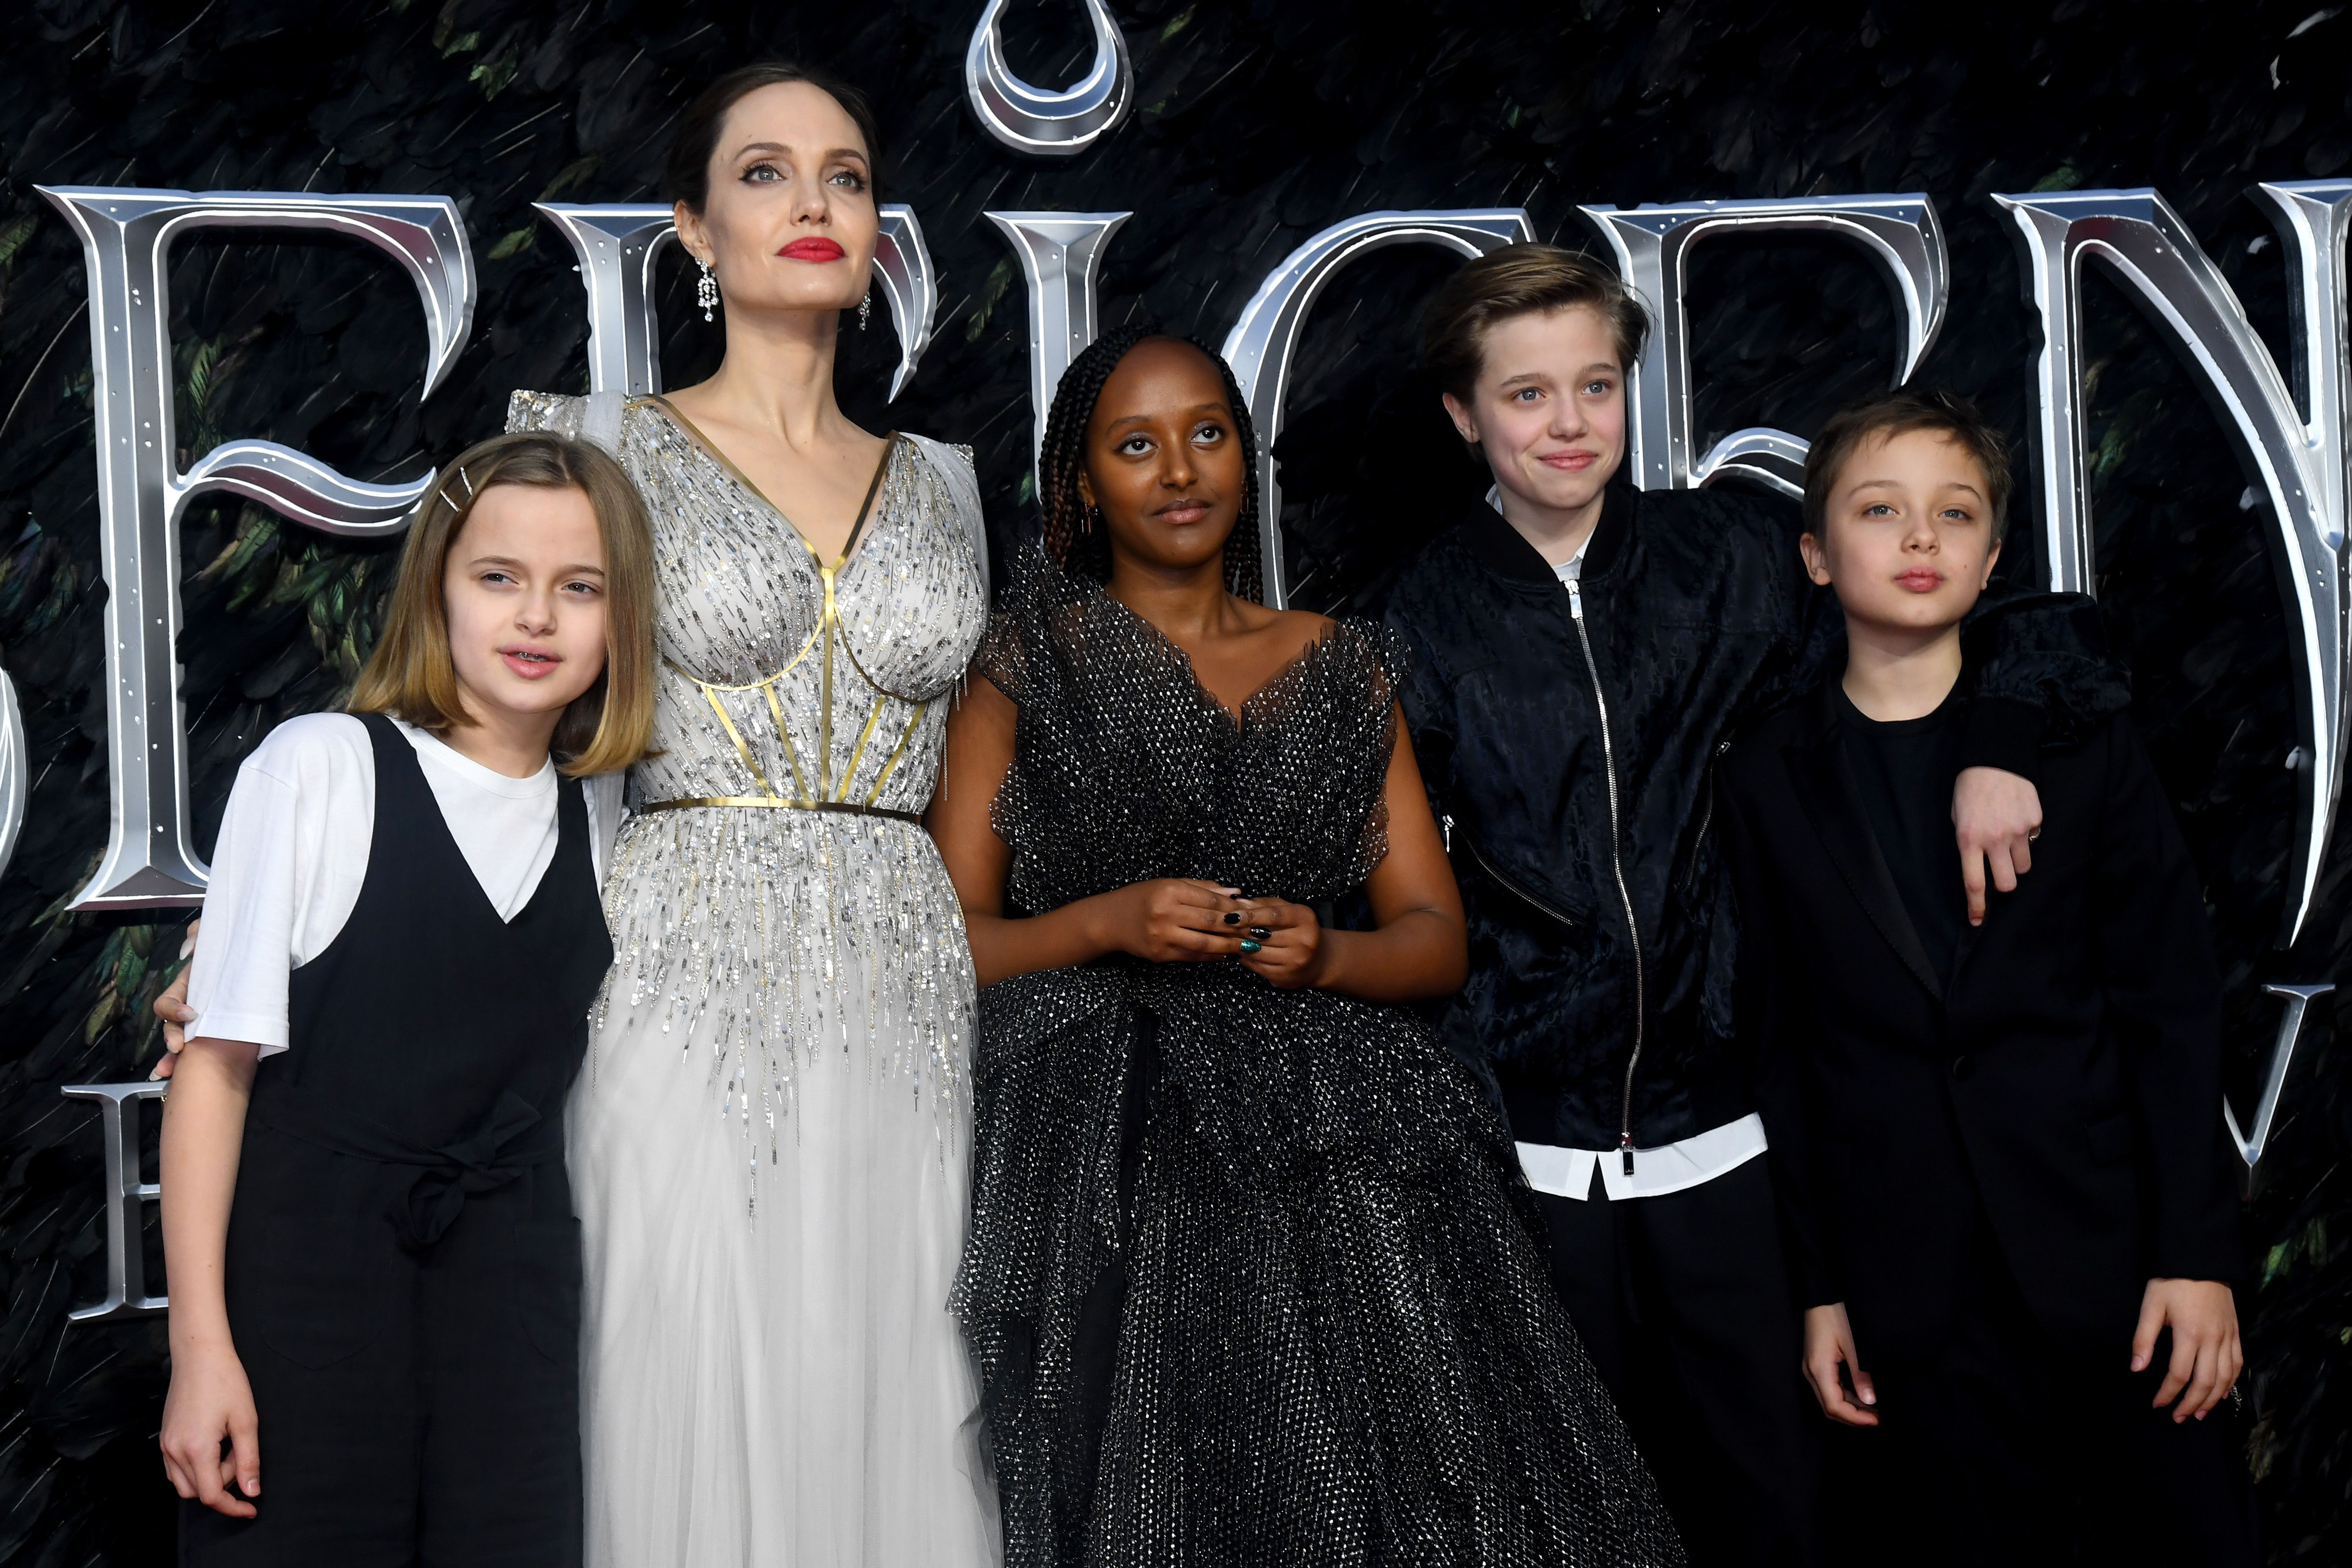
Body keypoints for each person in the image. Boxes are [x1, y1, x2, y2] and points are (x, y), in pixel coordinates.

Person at [1380, 244, 2128, 1566]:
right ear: (1460, 415)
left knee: (1779, 1512)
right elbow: (1366, 881)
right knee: (1557, 1525)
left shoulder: (1728, 558)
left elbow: (2014, 622)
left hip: (1729, 1135)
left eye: (1595, 385)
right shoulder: (1409, 623)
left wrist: (2000, 736)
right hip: (1534, 1154)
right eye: (1526, 394)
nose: (1567, 424)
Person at [932, 324, 1685, 1567]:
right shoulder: (1022, 670)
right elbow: (947, 947)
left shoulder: (1338, 667)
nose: (1179, 471)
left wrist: (1321, 951)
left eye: (1207, 435)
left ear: (1247, 460)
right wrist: (1106, 924)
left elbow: (1434, 941)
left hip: (1339, 1141)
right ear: (1079, 485)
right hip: (1110, 1153)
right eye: (1136, 445)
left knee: (1411, 1499)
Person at [503, 62, 998, 1566]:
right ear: (693, 232)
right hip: (680, 966)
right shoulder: (595, 446)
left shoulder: (951, 481)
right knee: (687, 1362)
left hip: (911, 983)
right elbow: (483, 727)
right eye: (768, 174)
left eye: (845, 176)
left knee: (902, 1375)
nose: (813, 204)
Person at [1717, 390, 2255, 1566]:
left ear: (1993, 556)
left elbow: (2167, 1007)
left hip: (2116, 1265)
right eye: (1879, 510)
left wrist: (2194, 1256)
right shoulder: (1762, 775)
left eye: (1952, 514)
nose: (1920, 539)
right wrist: (1818, 1289)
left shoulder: (2075, 740)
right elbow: (1782, 1047)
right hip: (1908, 1286)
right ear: (1814, 554)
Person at [158, 431, 656, 1565]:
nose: (536, 617)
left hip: (511, 1309)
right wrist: (201, 1349)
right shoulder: (320, 766)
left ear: (620, 617)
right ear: (436, 585)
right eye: (499, 578)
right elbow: (215, 1070)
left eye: (578, 588)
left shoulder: (609, 819)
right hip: (310, 1294)